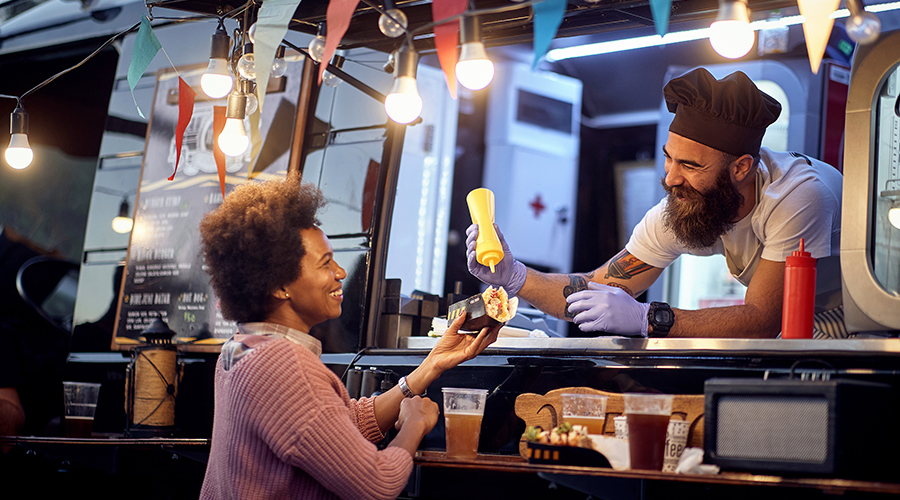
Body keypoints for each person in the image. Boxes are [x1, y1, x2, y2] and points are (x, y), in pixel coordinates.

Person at [467, 67, 844, 339]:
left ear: (742, 168)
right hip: (790, 333)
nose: (671, 178)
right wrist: (516, 276)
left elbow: (763, 319)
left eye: (690, 165)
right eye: (669, 158)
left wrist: (651, 318)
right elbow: (596, 287)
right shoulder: (681, 208)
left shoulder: (797, 196)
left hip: (857, 325)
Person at [198, 175, 500, 499]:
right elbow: (377, 483)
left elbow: (338, 428)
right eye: (325, 263)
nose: (341, 272)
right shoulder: (283, 365)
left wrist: (430, 366)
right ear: (279, 287)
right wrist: (414, 424)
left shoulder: (243, 347)